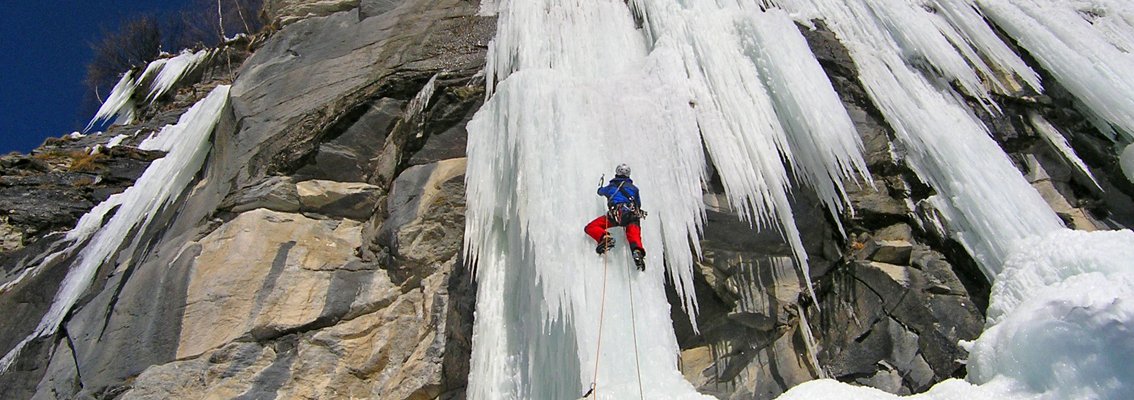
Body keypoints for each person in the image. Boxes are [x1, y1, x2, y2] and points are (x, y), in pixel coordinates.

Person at [584, 163, 647, 270]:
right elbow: (638, 204)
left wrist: (600, 184)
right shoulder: (634, 189)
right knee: (633, 234)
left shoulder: (611, 187)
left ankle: (605, 238)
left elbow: (600, 191)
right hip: (632, 215)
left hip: (616, 215)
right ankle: (637, 251)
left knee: (591, 227)